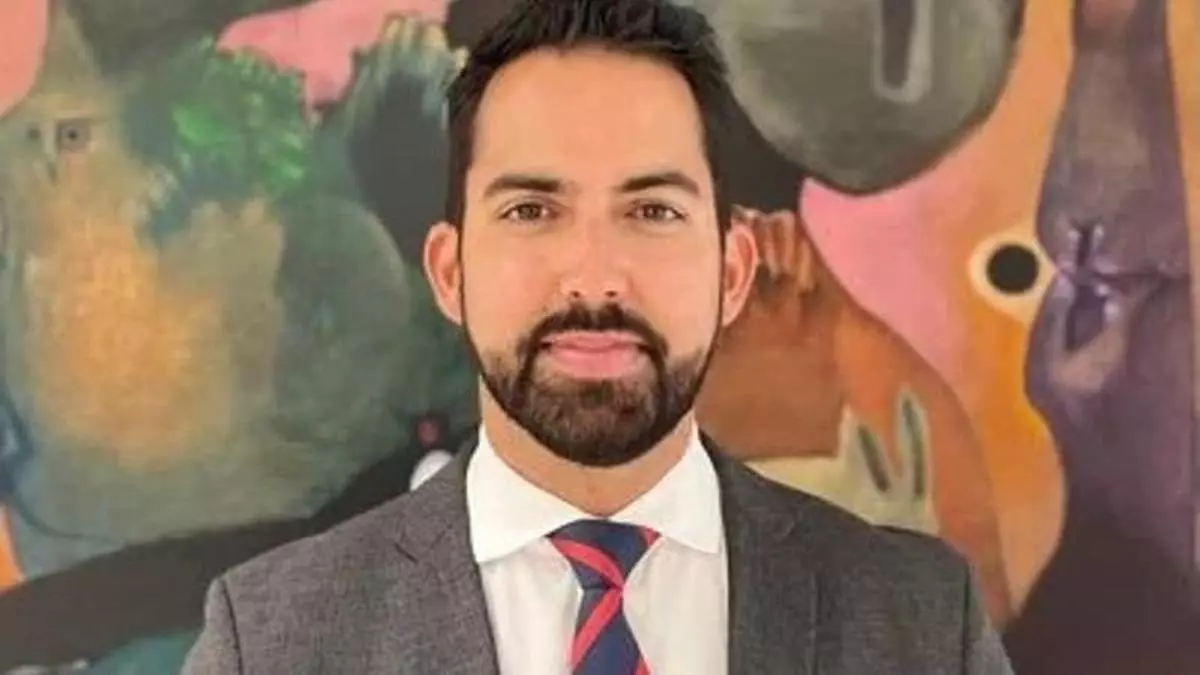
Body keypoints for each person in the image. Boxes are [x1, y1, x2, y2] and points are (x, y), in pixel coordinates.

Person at [181, 0, 1015, 672]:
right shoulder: (270, 642)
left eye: (651, 210)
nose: (593, 277)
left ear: (732, 271)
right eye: (531, 210)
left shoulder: (920, 622)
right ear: (449, 270)